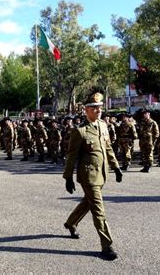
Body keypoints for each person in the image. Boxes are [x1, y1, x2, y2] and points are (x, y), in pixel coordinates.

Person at [63, 92, 123, 261]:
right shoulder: (80, 131)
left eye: (100, 108)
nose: (98, 111)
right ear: (86, 110)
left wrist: (116, 167)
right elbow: (71, 155)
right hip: (88, 175)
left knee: (88, 202)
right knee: (98, 209)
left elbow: (108, 148)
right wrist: (68, 177)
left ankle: (71, 223)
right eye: (94, 108)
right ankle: (107, 245)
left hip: (102, 173)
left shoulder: (103, 125)